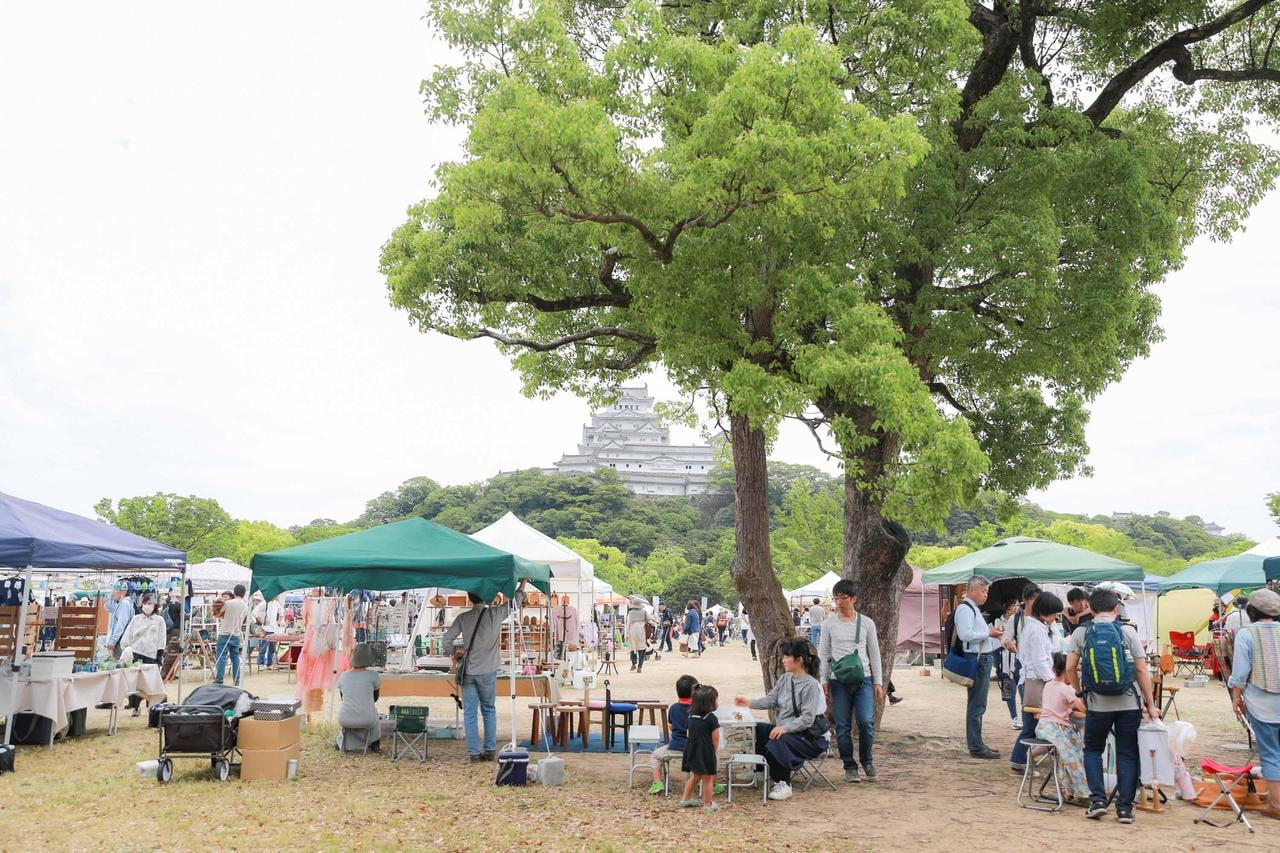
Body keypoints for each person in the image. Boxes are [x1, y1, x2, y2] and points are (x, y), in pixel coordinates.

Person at [1064, 587, 1160, 824]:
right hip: (1129, 702)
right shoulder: (1128, 631)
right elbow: (1140, 670)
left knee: (1093, 750)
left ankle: (1097, 801)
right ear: (1116, 608)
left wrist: (1080, 693)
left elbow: (1069, 668)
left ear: (1091, 608)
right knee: (1127, 753)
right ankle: (1125, 809)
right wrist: (1150, 704)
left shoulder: (1082, 633)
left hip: (1097, 703)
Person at [734, 637, 828, 801]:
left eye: (786, 657)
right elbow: (771, 700)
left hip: (808, 736)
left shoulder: (811, 686)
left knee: (779, 737)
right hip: (787, 730)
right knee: (759, 729)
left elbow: (807, 719)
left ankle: (783, 782)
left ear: (799, 660)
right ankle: (760, 771)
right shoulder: (785, 679)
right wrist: (749, 703)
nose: (783, 660)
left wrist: (784, 728)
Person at [444, 586, 523, 762]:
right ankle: (489, 750)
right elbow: (515, 603)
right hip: (488, 670)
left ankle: (473, 753)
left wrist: (455, 653)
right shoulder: (494, 614)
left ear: (470, 598)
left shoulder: (463, 617)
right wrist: (523, 584)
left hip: (468, 671)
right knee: (489, 709)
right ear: (486, 597)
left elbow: (446, 638)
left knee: (470, 713)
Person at [819, 579, 883, 782]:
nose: (838, 601)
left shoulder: (866, 623)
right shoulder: (829, 624)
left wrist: (878, 682)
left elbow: (874, 653)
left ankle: (867, 760)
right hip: (839, 680)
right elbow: (824, 653)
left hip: (863, 678)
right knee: (842, 725)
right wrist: (824, 679)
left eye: (843, 597)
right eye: (836, 597)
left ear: (853, 598)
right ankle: (849, 766)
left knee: (866, 721)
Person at [1228, 588, 1280, 820]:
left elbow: (1240, 672)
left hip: (1261, 703)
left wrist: (1236, 696)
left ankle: (1277, 803)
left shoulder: (1246, 634)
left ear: (1251, 610)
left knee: (1270, 753)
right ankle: (1272, 795)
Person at [1010, 591, 1063, 773]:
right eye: (1054, 614)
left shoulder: (1037, 626)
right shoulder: (1036, 629)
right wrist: (1051, 681)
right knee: (1031, 727)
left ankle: (1021, 760)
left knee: (1032, 726)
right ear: (1045, 611)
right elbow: (1040, 660)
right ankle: (1018, 761)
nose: (1055, 618)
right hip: (1034, 681)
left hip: (1033, 679)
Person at [955, 576, 1003, 758]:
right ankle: (975, 745)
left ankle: (977, 742)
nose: (985, 595)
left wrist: (993, 636)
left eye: (987, 591)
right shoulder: (965, 609)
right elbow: (965, 634)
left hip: (982, 656)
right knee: (977, 703)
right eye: (983, 591)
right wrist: (988, 632)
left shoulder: (973, 609)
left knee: (979, 702)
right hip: (976, 658)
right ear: (972, 590)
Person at [648, 674, 698, 794]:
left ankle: (658, 782)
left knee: (655, 756)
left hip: (675, 747)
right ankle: (713, 783)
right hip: (695, 749)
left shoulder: (674, 708)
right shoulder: (698, 708)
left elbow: (671, 726)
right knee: (711, 756)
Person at [120, 595, 167, 716]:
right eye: (146, 603)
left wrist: (159, 654)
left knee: (151, 683)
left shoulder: (159, 620)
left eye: (151, 603)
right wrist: (126, 648)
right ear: (142, 604)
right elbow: (128, 634)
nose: (148, 606)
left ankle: (153, 707)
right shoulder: (136, 619)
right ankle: (135, 706)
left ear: (155, 605)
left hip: (151, 654)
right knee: (136, 682)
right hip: (136, 653)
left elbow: (162, 638)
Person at [680, 684, 722, 812]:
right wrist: (712, 752)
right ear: (709, 703)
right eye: (715, 699)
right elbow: (715, 739)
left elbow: (689, 734)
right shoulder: (711, 718)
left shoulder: (691, 716)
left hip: (692, 750)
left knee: (695, 776)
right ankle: (707, 805)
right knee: (708, 779)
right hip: (705, 751)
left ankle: (685, 799)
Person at [337, 642, 382, 752]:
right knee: (375, 717)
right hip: (367, 720)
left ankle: (342, 742)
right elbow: (375, 698)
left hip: (344, 719)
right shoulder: (373, 675)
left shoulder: (344, 676)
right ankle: (374, 745)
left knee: (351, 713)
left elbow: (344, 698)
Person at [213, 584, 249, 686]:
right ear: (244, 593)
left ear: (234, 592)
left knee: (221, 657)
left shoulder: (228, 603)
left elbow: (218, 614)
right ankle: (237, 679)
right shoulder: (246, 606)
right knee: (235, 658)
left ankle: (219, 679)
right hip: (236, 634)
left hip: (224, 632)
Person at [993, 598, 1020, 729]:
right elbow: (1000, 636)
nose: (1016, 608)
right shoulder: (998, 621)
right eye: (1013, 605)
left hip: (1018, 658)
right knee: (1009, 689)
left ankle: (1022, 716)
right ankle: (1014, 717)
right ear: (1006, 606)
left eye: (1017, 605)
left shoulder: (1019, 620)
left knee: (1022, 688)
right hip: (1003, 659)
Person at [107, 585, 135, 659]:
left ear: (123, 592)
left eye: (115, 590)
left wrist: (112, 641)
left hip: (120, 641)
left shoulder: (125, 604)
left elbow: (121, 624)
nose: (113, 593)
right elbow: (108, 607)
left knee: (119, 666)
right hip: (119, 640)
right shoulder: (121, 603)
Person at [258, 594, 283, 668]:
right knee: (263, 647)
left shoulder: (277, 603)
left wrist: (278, 622)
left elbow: (282, 612)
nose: (276, 596)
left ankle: (269, 664)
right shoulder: (264, 603)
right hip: (266, 629)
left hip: (274, 629)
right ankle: (261, 664)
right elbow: (255, 613)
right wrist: (262, 621)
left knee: (272, 648)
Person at [627, 601, 650, 672]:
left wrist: (627, 634)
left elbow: (628, 624)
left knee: (632, 647)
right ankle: (640, 666)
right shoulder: (644, 611)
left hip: (632, 630)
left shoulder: (630, 613)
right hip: (641, 630)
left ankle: (634, 664)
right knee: (642, 649)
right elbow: (648, 620)